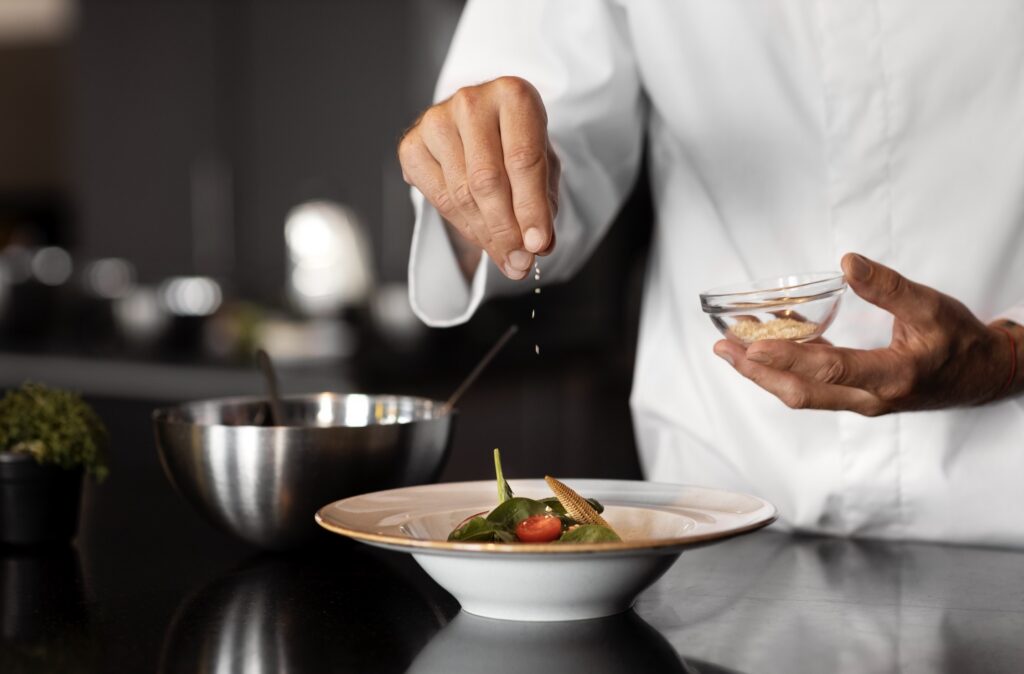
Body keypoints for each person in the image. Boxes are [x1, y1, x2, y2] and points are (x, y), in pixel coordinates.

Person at [398, 1, 1024, 546]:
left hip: (1005, 507)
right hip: (723, 509)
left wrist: (1010, 358)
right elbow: (533, 180)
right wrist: (480, 177)